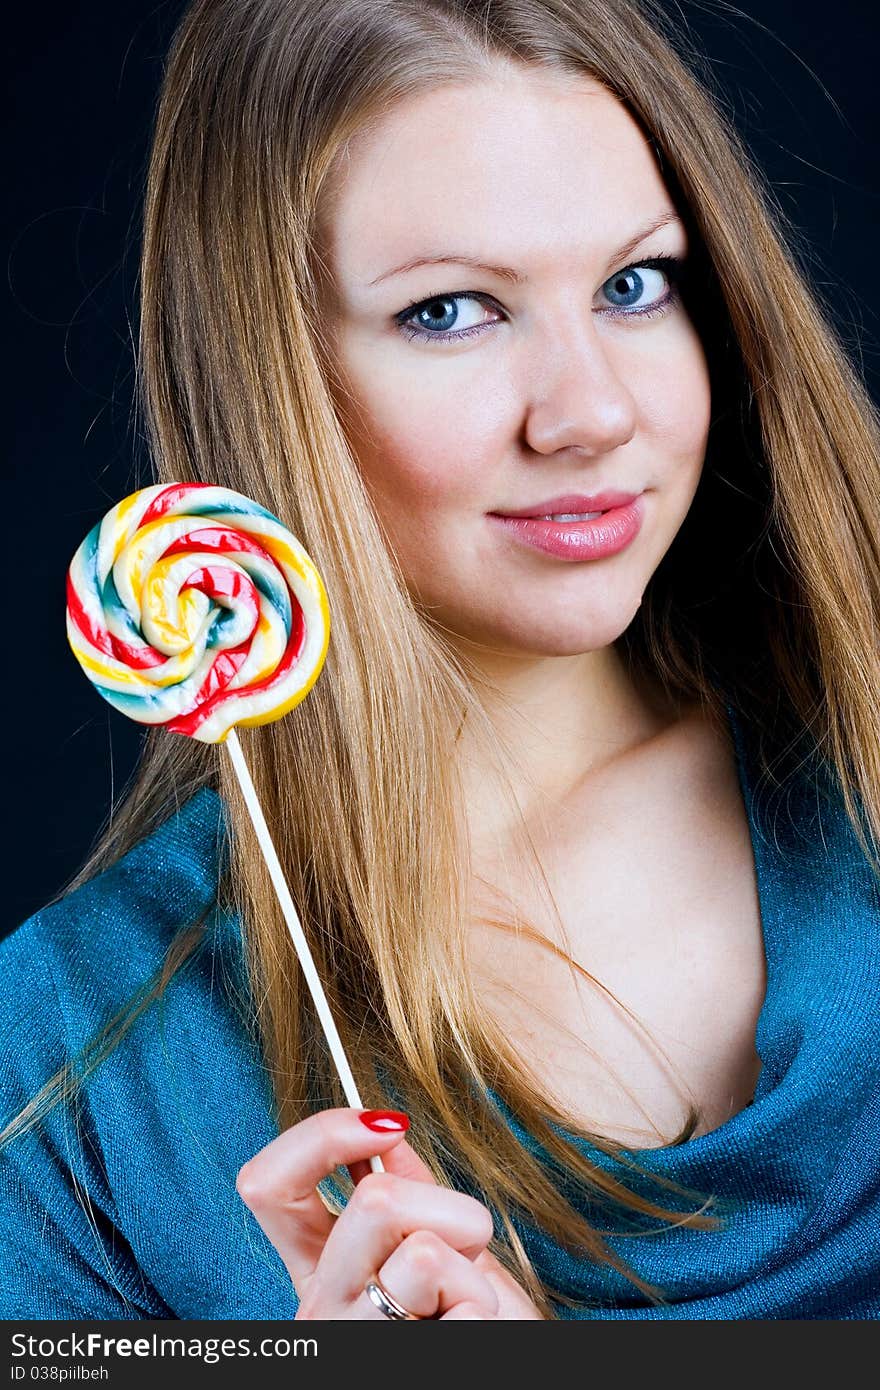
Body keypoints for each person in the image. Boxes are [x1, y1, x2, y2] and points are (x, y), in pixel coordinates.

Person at [2, 0, 879, 1322]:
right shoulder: (75, 1065)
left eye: (635, 284)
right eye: (452, 310)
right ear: (269, 369)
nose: (590, 411)